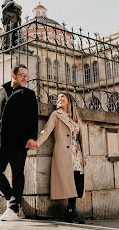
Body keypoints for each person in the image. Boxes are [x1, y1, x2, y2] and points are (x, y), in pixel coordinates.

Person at [27, 92, 87, 224]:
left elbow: (81, 139)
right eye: (58, 98)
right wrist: (36, 143)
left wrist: (85, 156)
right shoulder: (56, 114)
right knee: (69, 182)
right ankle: (72, 212)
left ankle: (71, 211)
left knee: (77, 180)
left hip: (76, 154)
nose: (59, 99)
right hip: (64, 154)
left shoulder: (76, 117)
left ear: (69, 100)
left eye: (62, 97)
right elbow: (46, 131)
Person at [0, 64, 38, 221]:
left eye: (26, 76)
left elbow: (33, 118)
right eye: (22, 75)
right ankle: (12, 199)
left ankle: (13, 208)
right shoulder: (0, 92)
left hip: (19, 141)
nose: (25, 78)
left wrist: (32, 137)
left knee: (17, 174)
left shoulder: (29, 94)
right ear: (13, 76)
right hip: (0, 140)